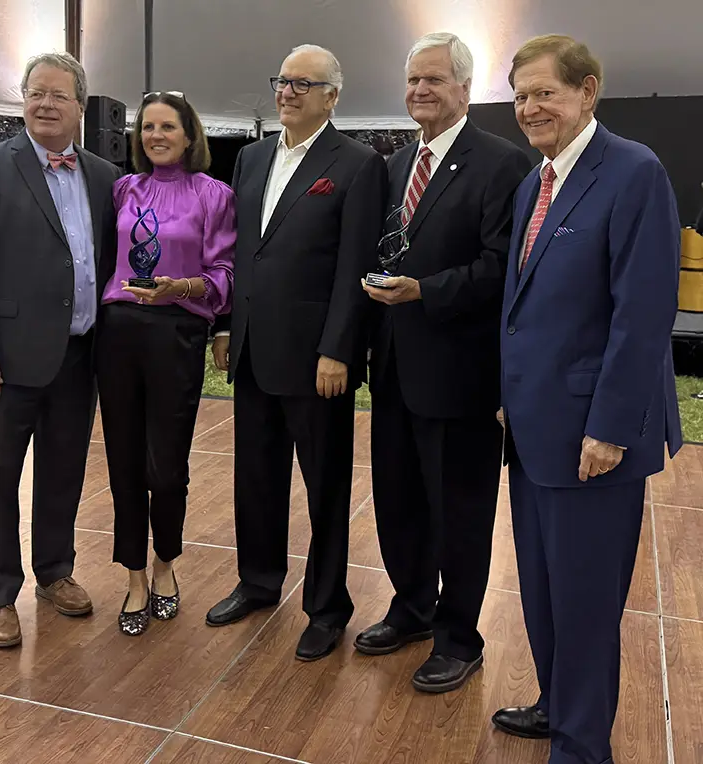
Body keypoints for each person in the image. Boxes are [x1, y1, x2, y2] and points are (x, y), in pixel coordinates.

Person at [492, 35, 682, 764]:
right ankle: (556, 705)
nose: (530, 108)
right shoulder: (533, 183)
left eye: (545, 92)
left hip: (593, 440)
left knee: (586, 602)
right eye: (520, 96)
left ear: (588, 92)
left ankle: (580, 746)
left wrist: (608, 427)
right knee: (541, 592)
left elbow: (642, 315)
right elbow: (522, 305)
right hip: (533, 428)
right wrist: (509, 394)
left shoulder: (634, 172)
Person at [358, 32, 531, 693]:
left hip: (460, 372)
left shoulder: (500, 164)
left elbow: (500, 268)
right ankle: (411, 607)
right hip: (396, 364)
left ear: (465, 88)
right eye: (412, 81)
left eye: (434, 80)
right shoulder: (398, 163)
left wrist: (426, 292)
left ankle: (460, 637)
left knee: (458, 510)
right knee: (398, 497)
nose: (420, 91)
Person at [206, 44, 388, 661]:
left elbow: (354, 267)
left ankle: (327, 606)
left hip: (318, 363)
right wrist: (226, 327)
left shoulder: (359, 164)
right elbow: (239, 255)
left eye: (303, 84)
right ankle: (257, 582)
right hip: (254, 351)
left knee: (325, 487)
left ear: (332, 96)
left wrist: (340, 349)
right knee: (255, 480)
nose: (288, 92)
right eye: (283, 80)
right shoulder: (253, 158)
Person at [0, 52, 121, 648]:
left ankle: (54, 571)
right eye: (35, 92)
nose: (45, 104)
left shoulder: (102, 175)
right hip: (4, 361)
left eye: (58, 95)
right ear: (23, 100)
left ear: (80, 106)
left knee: (65, 471)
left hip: (79, 357)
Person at [96, 91, 235, 635]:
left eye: (167, 127)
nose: (156, 135)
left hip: (176, 332)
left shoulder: (215, 195)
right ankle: (133, 574)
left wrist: (184, 287)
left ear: (189, 135)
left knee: (167, 464)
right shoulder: (122, 189)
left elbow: (225, 273)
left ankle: (165, 564)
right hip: (119, 333)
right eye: (147, 127)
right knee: (124, 459)